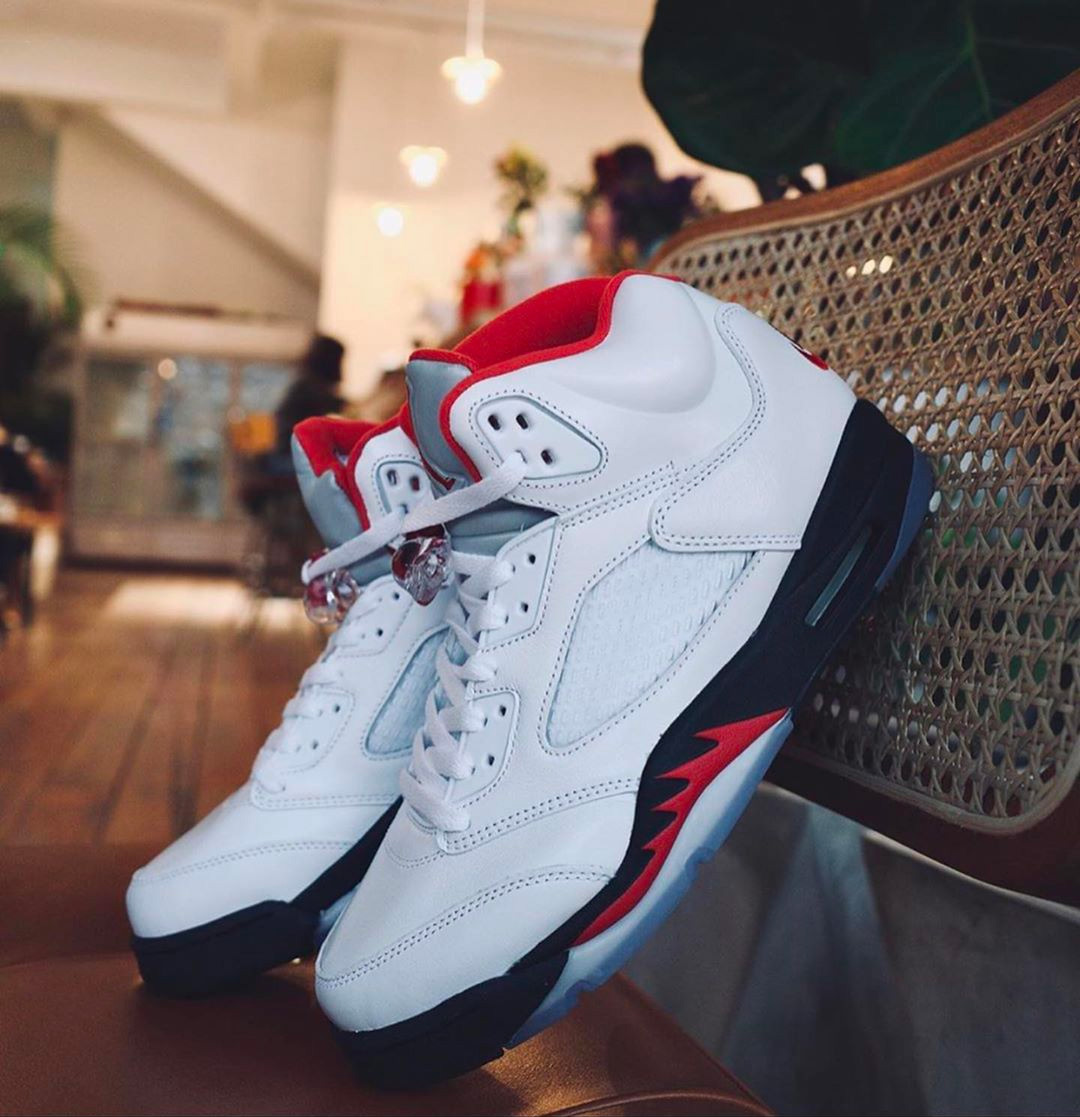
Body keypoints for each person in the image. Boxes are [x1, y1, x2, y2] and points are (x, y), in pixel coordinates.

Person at [274, 334, 345, 454]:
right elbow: (336, 405)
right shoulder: (308, 386)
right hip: (291, 451)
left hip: (289, 448)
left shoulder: (305, 381)